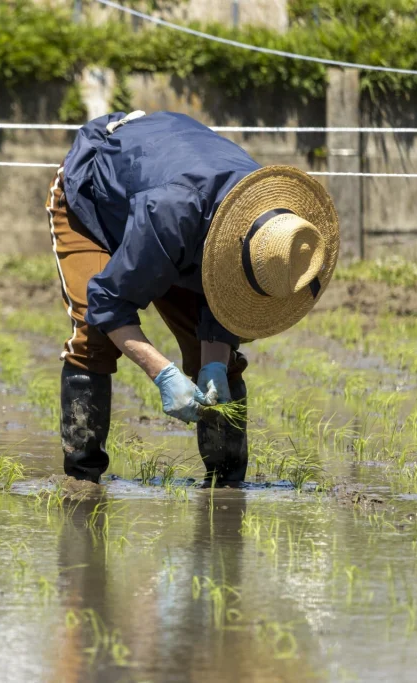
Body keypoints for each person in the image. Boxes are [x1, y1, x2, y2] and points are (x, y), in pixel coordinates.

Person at [46, 110, 339, 485]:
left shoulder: (269, 219)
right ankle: (82, 480)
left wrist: (213, 363)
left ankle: (225, 485)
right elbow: (108, 301)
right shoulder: (171, 212)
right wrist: (161, 373)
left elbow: (228, 298)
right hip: (93, 196)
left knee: (220, 363)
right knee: (94, 336)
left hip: (175, 219)